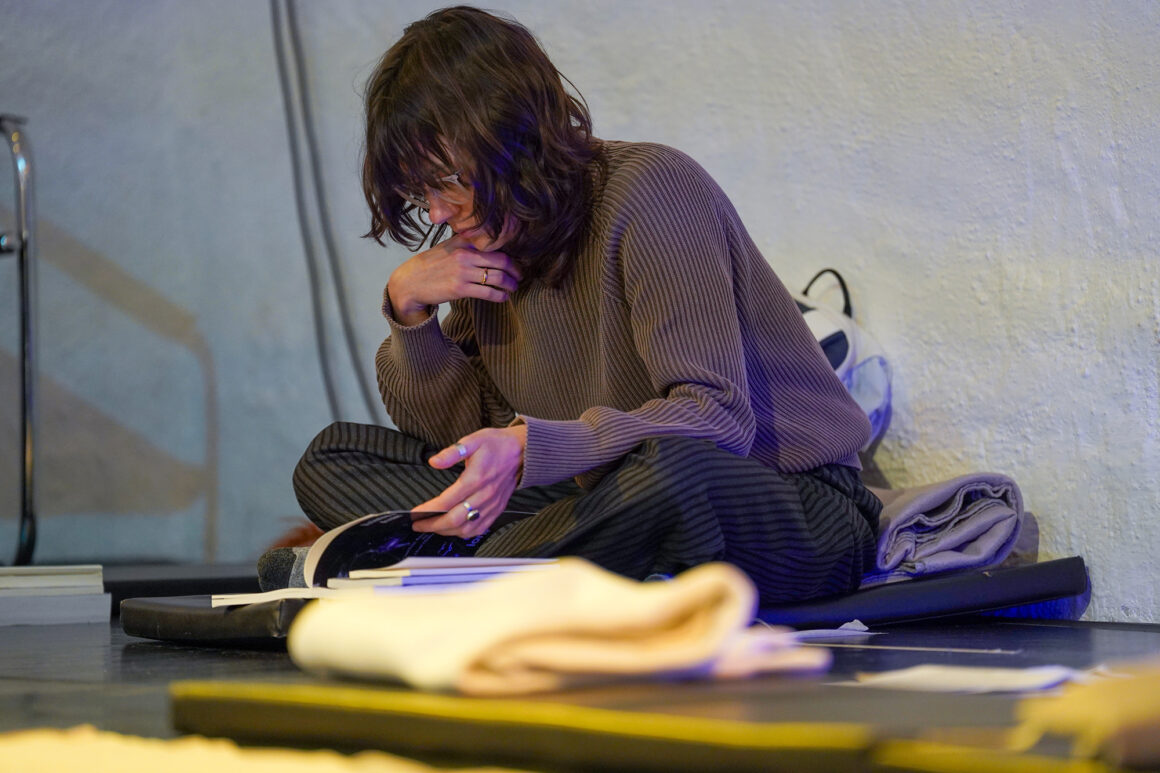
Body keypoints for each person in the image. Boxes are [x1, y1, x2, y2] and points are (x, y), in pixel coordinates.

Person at [290, 5, 881, 604]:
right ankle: (502, 565)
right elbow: (460, 442)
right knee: (332, 460)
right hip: (596, 498)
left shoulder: (652, 190)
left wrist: (529, 447)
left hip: (786, 504)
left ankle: (446, 577)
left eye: (448, 181)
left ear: (511, 139)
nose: (439, 213)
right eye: (422, 192)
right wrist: (410, 311)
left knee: (671, 473)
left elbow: (716, 421)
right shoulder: (488, 242)